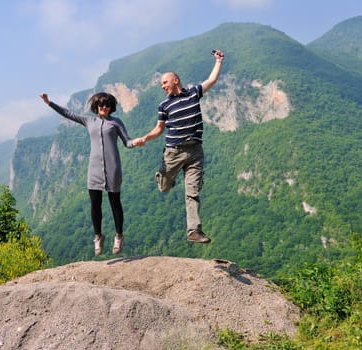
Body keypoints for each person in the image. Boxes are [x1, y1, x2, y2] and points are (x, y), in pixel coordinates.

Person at [134, 49, 225, 244]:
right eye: (161, 84)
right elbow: (159, 129)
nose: (162, 86)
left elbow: (211, 81)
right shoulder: (164, 105)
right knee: (164, 187)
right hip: (173, 153)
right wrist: (145, 138)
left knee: (192, 192)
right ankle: (164, 176)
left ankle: (193, 231)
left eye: (164, 83)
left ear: (175, 80)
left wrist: (218, 62)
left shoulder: (193, 94)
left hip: (195, 152)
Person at [40, 92, 137, 256]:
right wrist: (49, 102)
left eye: (107, 105)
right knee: (95, 204)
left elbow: (127, 141)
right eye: (101, 105)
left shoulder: (116, 122)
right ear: (96, 107)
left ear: (111, 107)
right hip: (94, 169)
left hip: (113, 168)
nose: (104, 107)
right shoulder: (89, 121)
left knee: (115, 203)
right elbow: (68, 114)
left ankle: (119, 235)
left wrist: (135, 142)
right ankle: (98, 236)